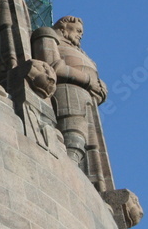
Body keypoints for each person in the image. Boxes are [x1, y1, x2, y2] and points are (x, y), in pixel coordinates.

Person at [32, 15, 110, 190]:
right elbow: (53, 66)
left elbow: (96, 86)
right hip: (67, 90)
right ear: (64, 27)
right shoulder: (48, 35)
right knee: (72, 135)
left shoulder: (84, 55)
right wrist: (89, 80)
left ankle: (75, 176)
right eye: (78, 31)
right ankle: (65, 172)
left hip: (87, 99)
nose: (80, 35)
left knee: (85, 144)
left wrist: (100, 89)